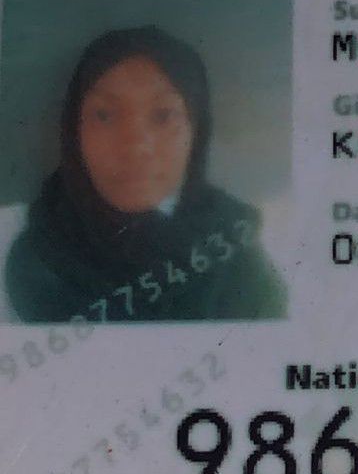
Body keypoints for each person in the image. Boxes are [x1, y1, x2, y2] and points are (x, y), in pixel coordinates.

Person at [5, 27, 286, 322]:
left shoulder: (233, 246)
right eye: (104, 115)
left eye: (164, 115)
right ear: (74, 131)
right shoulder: (37, 261)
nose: (136, 147)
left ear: (196, 132)